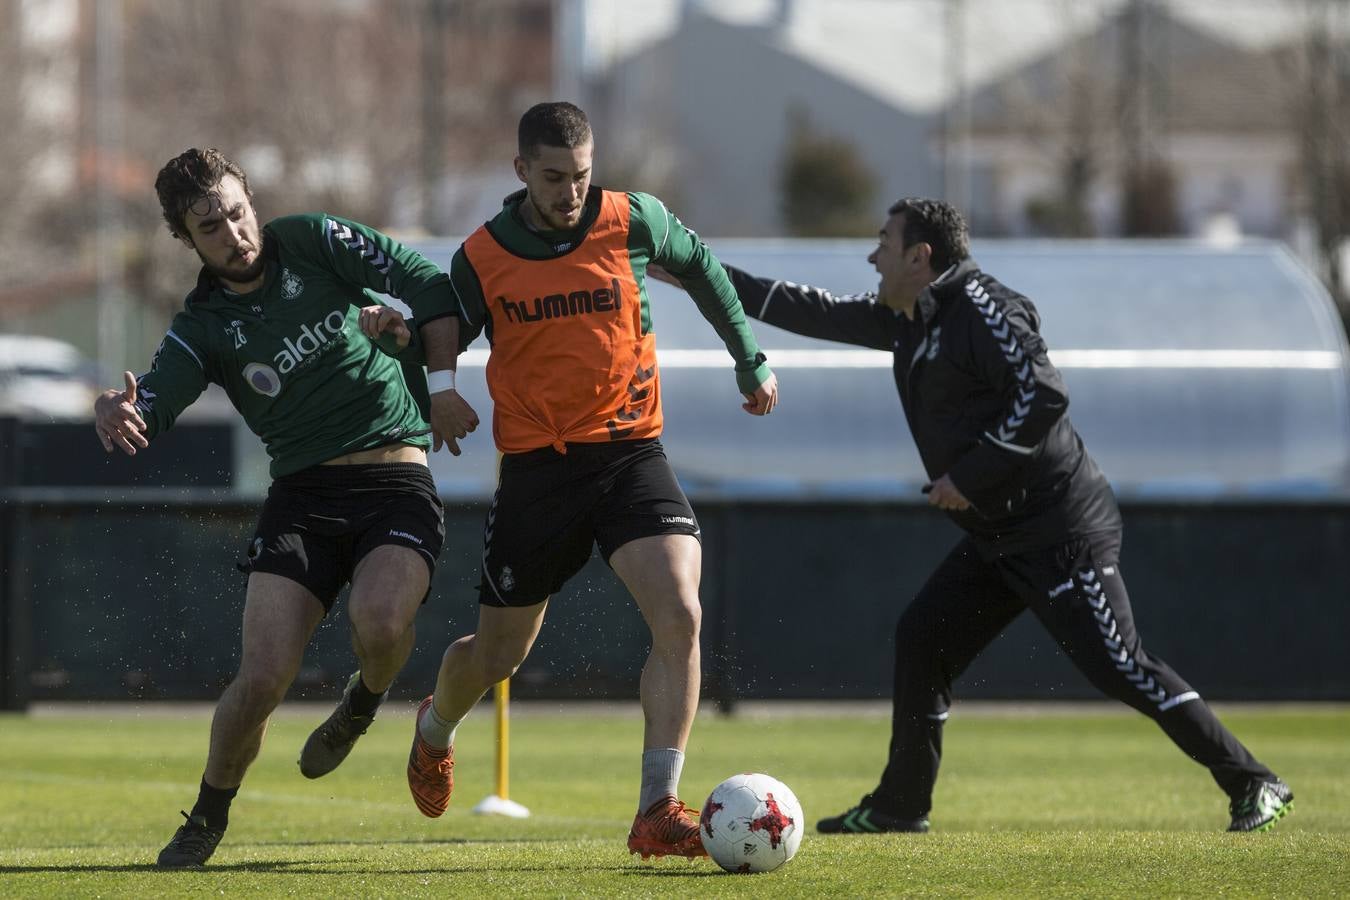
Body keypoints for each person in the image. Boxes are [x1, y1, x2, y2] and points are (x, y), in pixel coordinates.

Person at [703, 197, 1292, 834]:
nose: (873, 257)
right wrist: (695, 270)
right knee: (923, 637)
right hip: (1000, 535)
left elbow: (1043, 394)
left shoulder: (983, 309)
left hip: (1061, 530)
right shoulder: (910, 318)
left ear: (920, 257)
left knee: (1120, 664)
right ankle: (902, 806)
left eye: (883, 243)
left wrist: (970, 474)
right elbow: (808, 308)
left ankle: (1255, 781)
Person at [391, 101, 779, 860]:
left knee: (680, 613)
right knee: (497, 656)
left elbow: (702, 268)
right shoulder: (483, 255)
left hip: (632, 453)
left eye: (582, 174)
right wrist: (424, 375)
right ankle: (435, 728)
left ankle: (655, 808)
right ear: (521, 172)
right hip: (538, 470)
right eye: (554, 177)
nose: (571, 191)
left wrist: (749, 355)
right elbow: (442, 333)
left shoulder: (633, 219)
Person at [93, 148, 452, 867]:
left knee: (380, 624)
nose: (232, 231)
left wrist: (429, 369)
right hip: (304, 499)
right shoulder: (204, 323)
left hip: (395, 481)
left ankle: (362, 702)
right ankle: (206, 816)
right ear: (187, 240)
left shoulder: (314, 241)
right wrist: (119, 410)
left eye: (235, 211)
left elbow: (424, 280)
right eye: (209, 226)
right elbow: (158, 398)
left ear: (251, 200)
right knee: (260, 678)